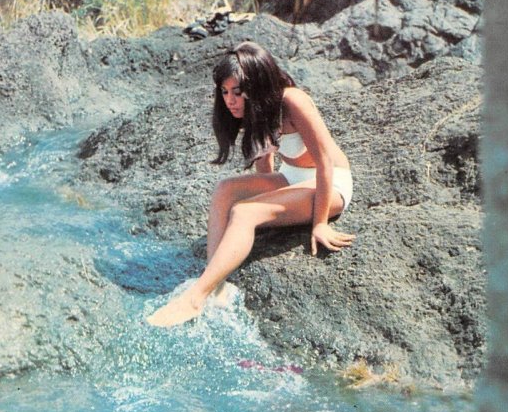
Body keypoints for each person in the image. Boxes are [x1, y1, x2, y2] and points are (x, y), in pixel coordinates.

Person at [147, 41, 355, 327]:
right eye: (224, 92)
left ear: (256, 86)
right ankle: (215, 279)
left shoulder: (294, 101)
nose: (230, 100)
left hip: (331, 184)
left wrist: (320, 224)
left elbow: (325, 163)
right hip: (293, 176)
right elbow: (265, 156)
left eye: (237, 92)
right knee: (225, 190)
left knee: (245, 213)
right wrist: (266, 186)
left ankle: (195, 298)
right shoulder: (255, 109)